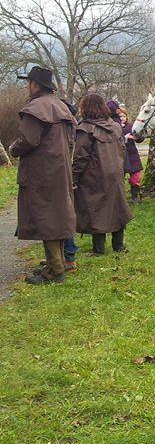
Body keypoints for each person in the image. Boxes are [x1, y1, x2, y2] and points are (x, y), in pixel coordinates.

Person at [9, 66, 77, 284]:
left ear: (34, 85)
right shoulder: (61, 107)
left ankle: (56, 271)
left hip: (41, 173)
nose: (27, 87)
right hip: (60, 170)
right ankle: (53, 265)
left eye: (28, 83)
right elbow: (71, 140)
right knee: (56, 216)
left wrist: (12, 149)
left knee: (47, 217)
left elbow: (28, 140)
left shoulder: (36, 108)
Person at [73, 94, 133, 255]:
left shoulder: (85, 129)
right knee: (117, 207)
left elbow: (80, 157)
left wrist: (74, 178)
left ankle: (99, 249)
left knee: (96, 208)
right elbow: (122, 149)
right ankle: (118, 246)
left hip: (94, 175)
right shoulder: (115, 126)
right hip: (115, 173)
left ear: (85, 108)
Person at [111, 102, 143, 204]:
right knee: (120, 177)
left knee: (135, 177)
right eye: (120, 116)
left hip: (132, 154)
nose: (122, 118)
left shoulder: (131, 126)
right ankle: (120, 198)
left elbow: (139, 138)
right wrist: (125, 137)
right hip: (121, 155)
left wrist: (138, 137)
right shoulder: (114, 127)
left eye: (124, 116)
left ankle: (134, 197)